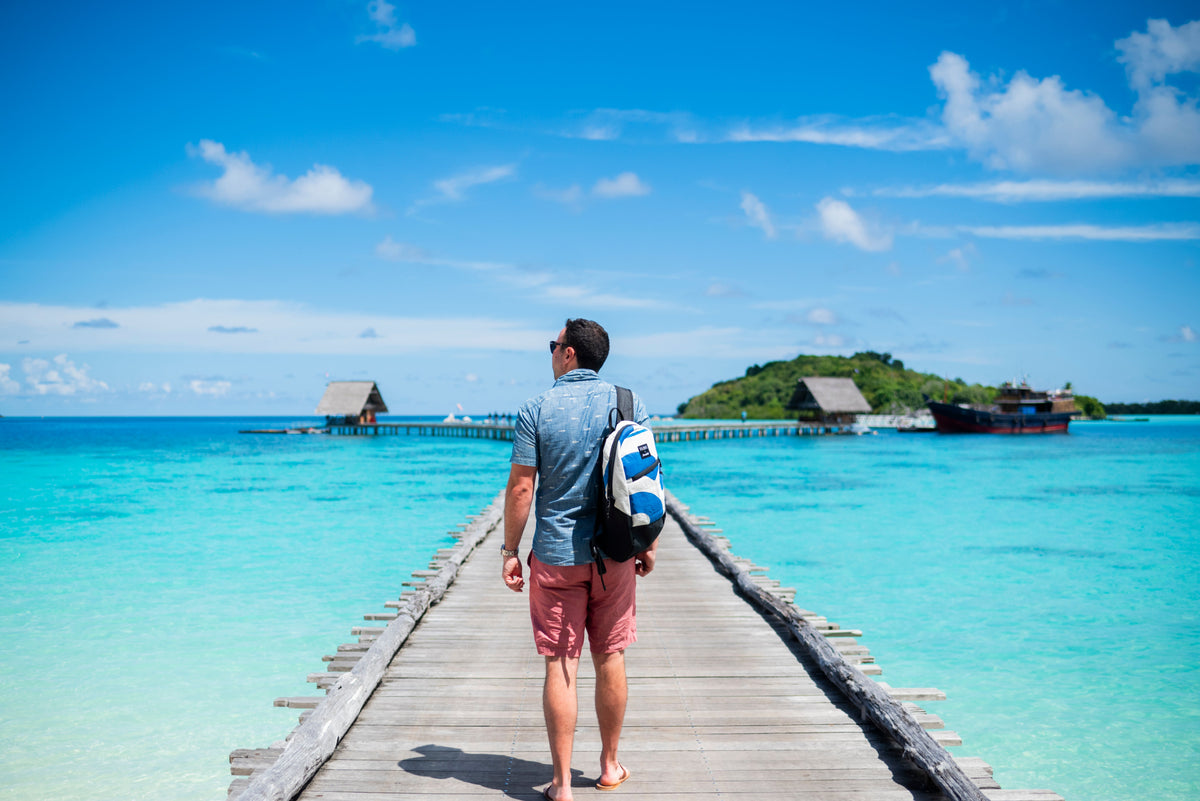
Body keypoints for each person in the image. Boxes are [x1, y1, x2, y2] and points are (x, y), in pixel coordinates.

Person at [502, 318, 657, 801]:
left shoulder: (536, 408)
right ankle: (609, 767)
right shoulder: (630, 403)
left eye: (554, 344)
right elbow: (644, 479)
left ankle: (563, 784)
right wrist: (646, 543)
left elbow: (523, 487)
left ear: (569, 354)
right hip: (614, 555)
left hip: (555, 556)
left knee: (560, 664)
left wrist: (510, 551)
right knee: (610, 655)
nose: (551, 351)